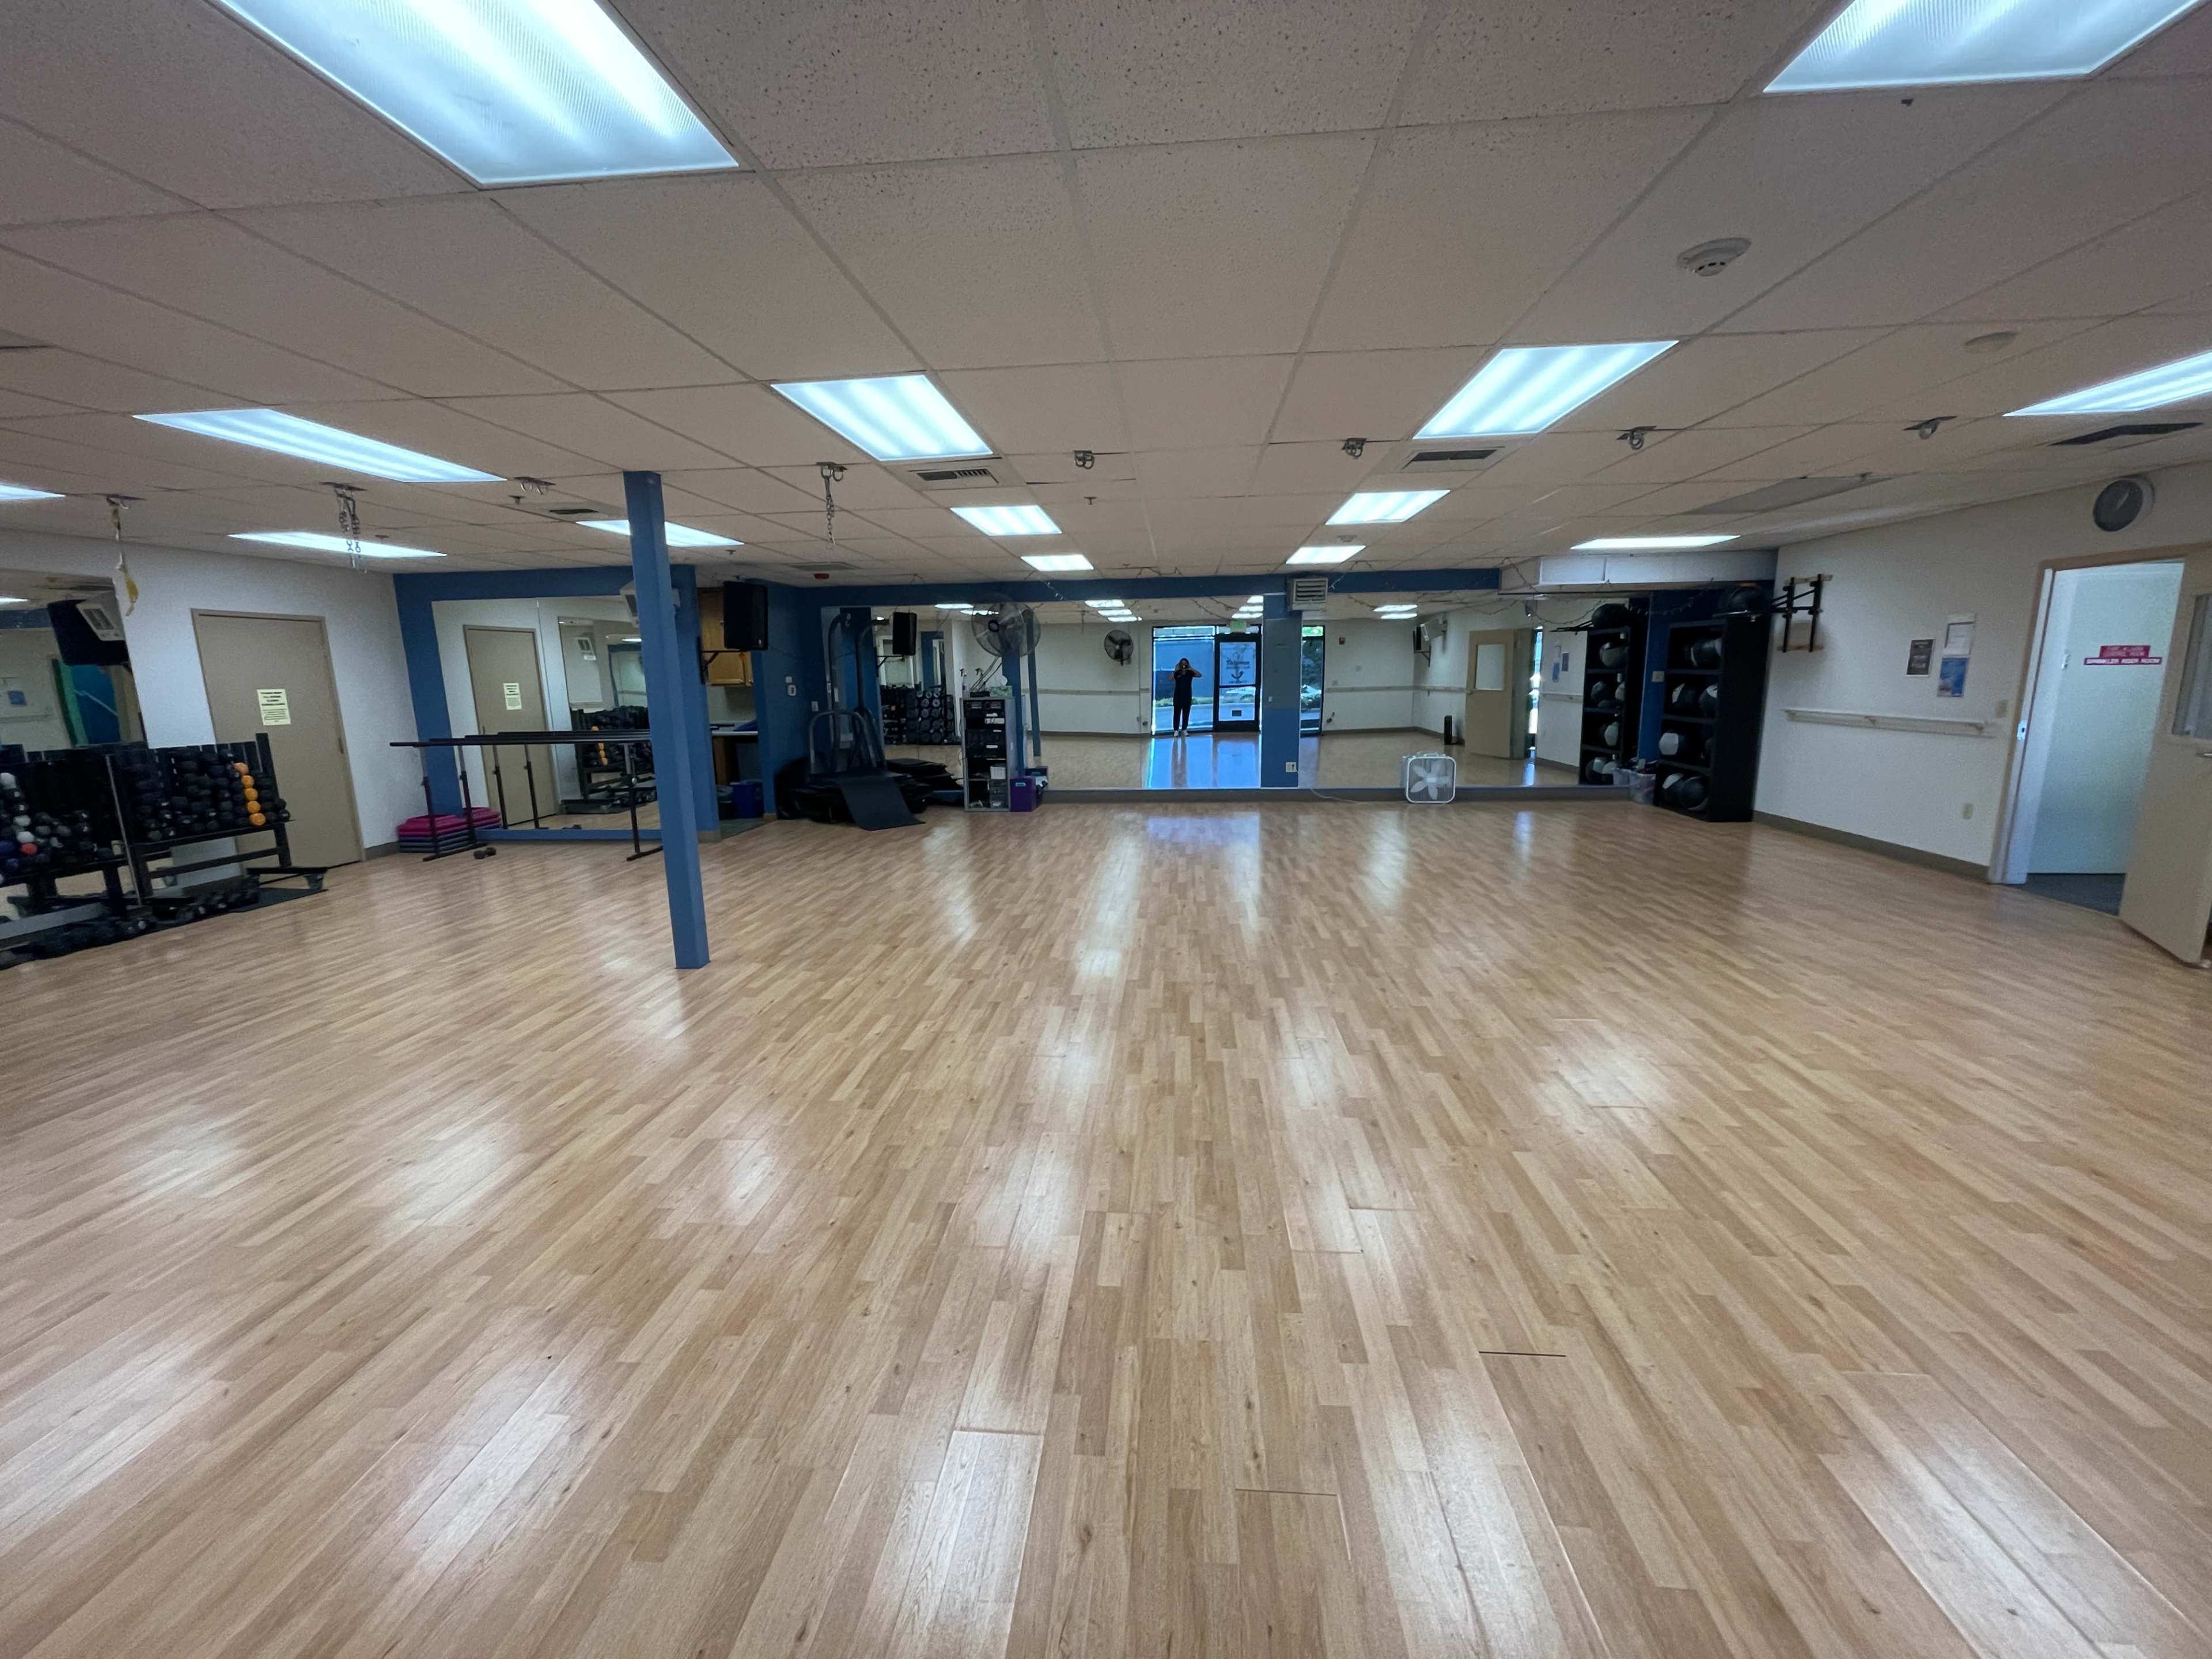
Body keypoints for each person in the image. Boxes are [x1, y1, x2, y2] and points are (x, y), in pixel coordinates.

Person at [1170, 656, 1202, 735]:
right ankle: (1176, 730)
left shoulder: (1190, 673)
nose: (1184, 666)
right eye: (1182, 664)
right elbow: (1170, 678)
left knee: (1186, 713)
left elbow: (1199, 675)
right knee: (1177, 714)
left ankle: (1184, 729)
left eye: (1185, 664)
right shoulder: (1177, 673)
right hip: (1178, 696)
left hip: (1187, 696)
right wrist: (1176, 670)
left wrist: (1191, 668)